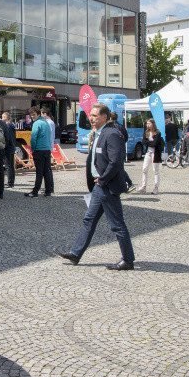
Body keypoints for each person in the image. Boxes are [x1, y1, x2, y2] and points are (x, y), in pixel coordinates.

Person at [56, 102, 135, 270]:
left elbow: (115, 162)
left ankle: (128, 260)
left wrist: (103, 179)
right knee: (89, 220)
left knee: (117, 224)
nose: (91, 118)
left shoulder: (112, 134)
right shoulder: (99, 133)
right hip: (99, 187)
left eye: (94, 115)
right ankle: (76, 253)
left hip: (107, 186)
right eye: (90, 115)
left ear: (104, 117)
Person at [25, 106, 52, 197]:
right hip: (47, 150)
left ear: (38, 114)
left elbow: (33, 138)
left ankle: (35, 191)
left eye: (34, 115)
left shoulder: (37, 123)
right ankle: (48, 191)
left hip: (39, 150)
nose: (32, 117)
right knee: (46, 171)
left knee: (39, 172)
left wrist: (33, 150)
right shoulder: (46, 123)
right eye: (31, 115)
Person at [110, 112, 135, 191]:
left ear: (110, 118)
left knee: (119, 168)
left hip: (115, 151)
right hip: (121, 150)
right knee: (119, 168)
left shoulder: (112, 127)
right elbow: (126, 138)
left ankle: (129, 184)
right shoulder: (121, 126)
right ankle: (123, 185)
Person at [137, 118, 162, 194]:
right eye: (147, 123)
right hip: (148, 152)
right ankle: (143, 186)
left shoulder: (157, 133)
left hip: (155, 153)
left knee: (155, 171)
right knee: (144, 169)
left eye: (149, 123)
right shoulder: (146, 132)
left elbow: (155, 143)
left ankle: (156, 187)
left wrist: (148, 142)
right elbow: (143, 142)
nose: (147, 125)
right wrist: (149, 142)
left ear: (153, 124)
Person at [41, 107, 57, 192]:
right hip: (47, 147)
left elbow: (50, 136)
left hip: (47, 147)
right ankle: (49, 187)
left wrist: (49, 148)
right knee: (46, 169)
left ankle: (50, 187)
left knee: (47, 169)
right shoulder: (49, 122)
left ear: (44, 114)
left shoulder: (49, 122)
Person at [1, 111, 17, 188]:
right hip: (11, 147)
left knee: (8, 166)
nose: (1, 118)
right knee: (10, 165)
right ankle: (11, 182)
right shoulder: (11, 125)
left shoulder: (8, 126)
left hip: (8, 148)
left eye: (3, 117)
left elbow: (8, 138)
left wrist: (4, 146)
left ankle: (10, 182)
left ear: (6, 118)